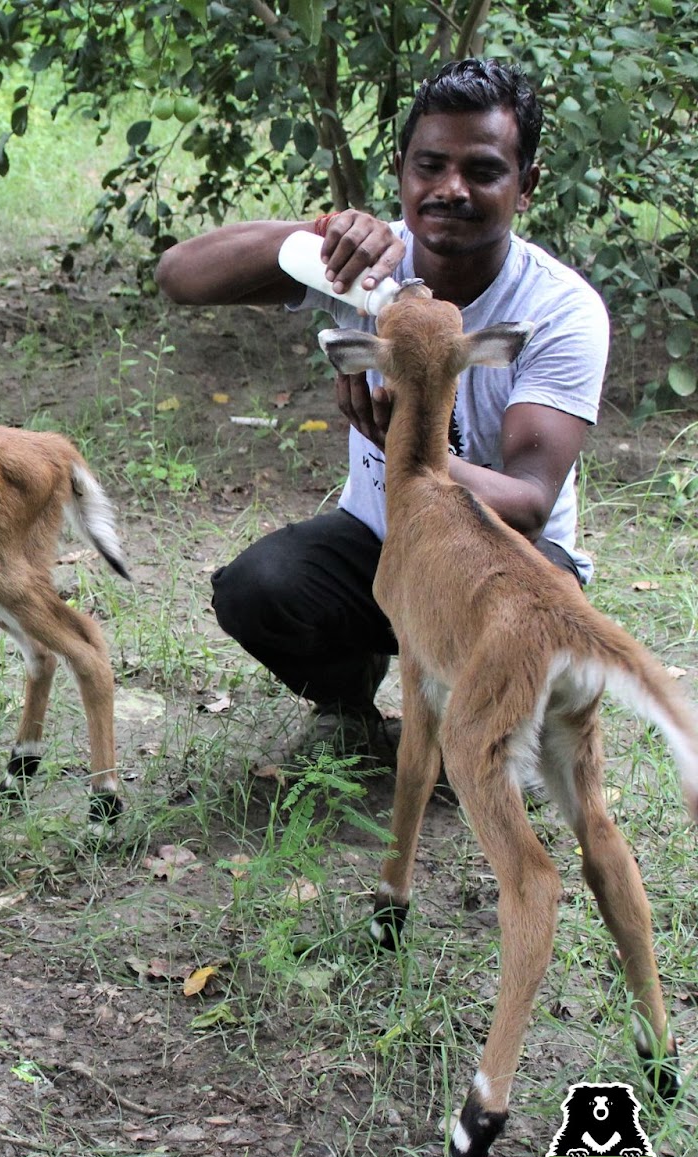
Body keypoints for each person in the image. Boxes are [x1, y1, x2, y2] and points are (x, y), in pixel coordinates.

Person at [154, 58, 608, 754]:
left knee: (492, 752)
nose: (450, 189)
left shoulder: (560, 309)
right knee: (258, 589)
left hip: (506, 555)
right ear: (402, 169)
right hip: (385, 543)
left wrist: (415, 445)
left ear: (526, 187)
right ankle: (348, 702)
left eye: (483, 171)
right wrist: (319, 232)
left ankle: (503, 722)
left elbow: (527, 502)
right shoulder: (368, 266)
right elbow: (179, 276)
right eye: (430, 165)